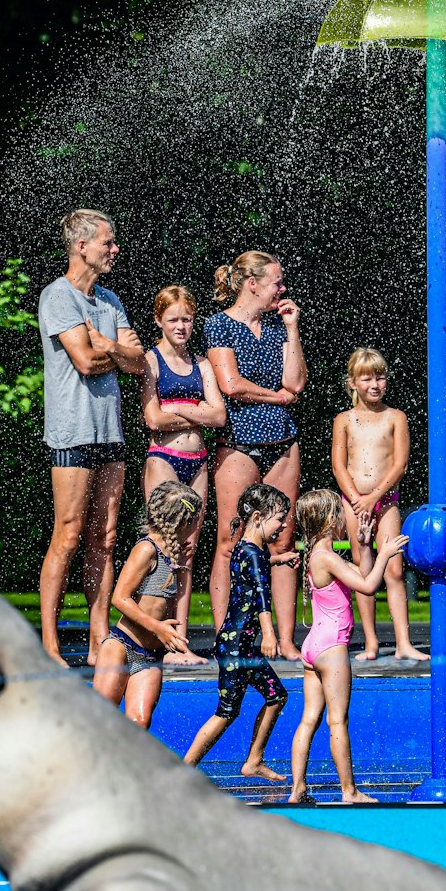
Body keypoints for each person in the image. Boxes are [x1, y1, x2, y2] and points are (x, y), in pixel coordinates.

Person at [37, 209, 146, 665]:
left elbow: (139, 362)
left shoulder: (110, 300)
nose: (114, 248)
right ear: (82, 246)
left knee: (105, 535)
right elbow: (85, 361)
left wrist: (111, 347)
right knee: (68, 533)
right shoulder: (58, 296)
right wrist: (110, 350)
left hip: (110, 430)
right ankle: (49, 643)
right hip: (72, 430)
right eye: (108, 241)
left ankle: (102, 637)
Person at [204, 251, 306, 658]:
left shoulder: (279, 328)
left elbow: (296, 384)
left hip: (282, 443)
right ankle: (226, 635)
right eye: (277, 282)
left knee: (283, 541)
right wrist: (276, 396)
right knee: (230, 541)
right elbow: (230, 384)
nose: (282, 289)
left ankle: (283, 640)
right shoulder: (218, 325)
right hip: (239, 443)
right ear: (253, 284)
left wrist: (293, 330)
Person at [284, 489, 408, 805]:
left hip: (313, 645)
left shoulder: (319, 556)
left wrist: (365, 544)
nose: (345, 519)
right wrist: (385, 552)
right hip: (331, 648)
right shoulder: (326, 557)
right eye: (340, 513)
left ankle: (298, 788)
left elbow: (361, 576)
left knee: (309, 718)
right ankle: (349, 791)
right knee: (337, 720)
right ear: (330, 520)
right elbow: (369, 586)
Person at [184, 483, 297, 782]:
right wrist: (269, 634)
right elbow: (262, 595)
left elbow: (254, 568)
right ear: (258, 517)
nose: (284, 524)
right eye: (280, 519)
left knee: (276, 696)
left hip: (238, 646)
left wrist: (278, 559)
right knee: (226, 712)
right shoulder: (255, 553)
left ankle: (254, 761)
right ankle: (183, 772)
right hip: (237, 648)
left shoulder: (245, 548)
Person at [140, 285, 226, 662]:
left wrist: (180, 408)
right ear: (159, 320)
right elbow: (153, 417)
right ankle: (152, 636)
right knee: (162, 549)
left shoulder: (203, 364)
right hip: (163, 458)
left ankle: (181, 640)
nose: (181, 326)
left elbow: (219, 415)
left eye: (187, 319)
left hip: (198, 462)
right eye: (173, 319)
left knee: (187, 552)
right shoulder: (151, 360)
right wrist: (196, 409)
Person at [330, 347, 423, 662]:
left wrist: (373, 498)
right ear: (352, 382)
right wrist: (357, 500)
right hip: (354, 503)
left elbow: (400, 465)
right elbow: (339, 466)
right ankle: (371, 641)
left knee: (394, 570)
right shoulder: (344, 420)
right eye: (367, 378)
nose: (374, 384)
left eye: (380, 377)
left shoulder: (395, 417)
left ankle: (403, 642)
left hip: (386, 502)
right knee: (364, 569)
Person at [92, 481, 201, 729]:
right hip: (121, 646)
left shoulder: (171, 553)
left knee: (139, 722)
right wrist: (158, 628)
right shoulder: (146, 549)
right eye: (194, 521)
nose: (196, 527)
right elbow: (119, 597)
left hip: (151, 655)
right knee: (100, 720)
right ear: (182, 521)